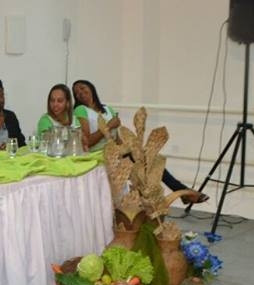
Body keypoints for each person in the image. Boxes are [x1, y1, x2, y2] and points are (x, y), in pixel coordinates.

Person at [72, 79, 209, 204]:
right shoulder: (80, 110)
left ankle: (177, 192)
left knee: (148, 158)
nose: (80, 93)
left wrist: (128, 147)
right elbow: (88, 142)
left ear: (91, 88)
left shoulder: (108, 109)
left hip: (117, 151)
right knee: (143, 158)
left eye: (83, 88)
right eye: (76, 93)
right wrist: (108, 126)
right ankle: (181, 191)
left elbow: (118, 138)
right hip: (99, 153)